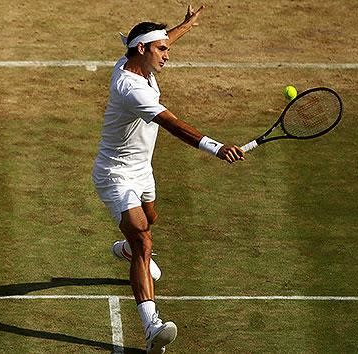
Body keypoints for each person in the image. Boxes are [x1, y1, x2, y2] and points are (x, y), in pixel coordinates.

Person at [92, 5, 245, 353]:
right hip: (115, 174)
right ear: (143, 50)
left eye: (167, 48)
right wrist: (216, 148)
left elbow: (162, 40)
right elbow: (174, 125)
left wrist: (185, 26)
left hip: (142, 169)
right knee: (145, 240)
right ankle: (151, 325)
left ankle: (127, 249)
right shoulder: (132, 89)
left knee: (149, 221)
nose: (167, 55)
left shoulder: (135, 58)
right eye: (162, 50)